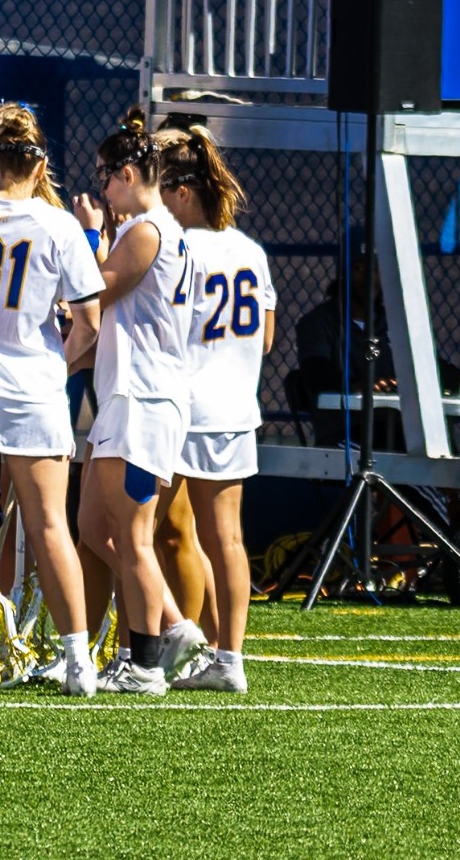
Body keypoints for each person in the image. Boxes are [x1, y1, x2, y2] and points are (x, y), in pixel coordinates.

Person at [0, 105, 104, 696]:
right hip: (34, 392)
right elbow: (88, 323)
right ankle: (78, 663)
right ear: (38, 158)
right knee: (49, 527)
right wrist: (50, 368)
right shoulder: (60, 224)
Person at [73, 123, 202, 696]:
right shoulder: (154, 230)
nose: (101, 190)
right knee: (93, 527)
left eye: (105, 178)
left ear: (126, 175)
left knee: (131, 536)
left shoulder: (146, 231)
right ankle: (172, 625)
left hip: (143, 397)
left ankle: (147, 663)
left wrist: (87, 236)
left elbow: (94, 290)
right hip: (131, 395)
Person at [156, 126, 273, 693]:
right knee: (226, 537)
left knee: (124, 530)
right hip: (235, 407)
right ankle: (230, 659)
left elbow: (164, 327)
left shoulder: (180, 247)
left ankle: (161, 641)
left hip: (183, 404)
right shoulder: (249, 249)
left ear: (181, 192)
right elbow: (266, 336)